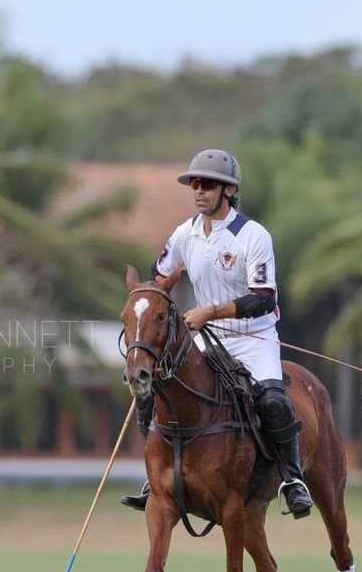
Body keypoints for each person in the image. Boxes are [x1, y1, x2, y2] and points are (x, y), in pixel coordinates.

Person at [120, 148, 313, 519]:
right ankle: (157, 479)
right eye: (194, 183)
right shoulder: (184, 234)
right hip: (206, 338)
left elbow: (262, 298)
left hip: (253, 337)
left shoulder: (252, 236)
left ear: (228, 191)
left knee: (273, 401)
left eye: (207, 184)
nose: (198, 190)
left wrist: (210, 311)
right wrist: (148, 302)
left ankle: (292, 479)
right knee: (154, 393)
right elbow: (159, 278)